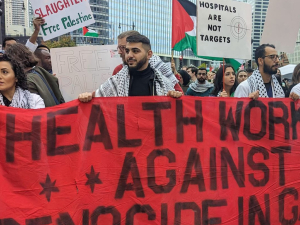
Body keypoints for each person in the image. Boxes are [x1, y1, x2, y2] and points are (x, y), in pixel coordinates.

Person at [78, 34, 182, 100]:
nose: (129, 55)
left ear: (149, 54)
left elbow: (174, 114)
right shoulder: (115, 82)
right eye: (127, 51)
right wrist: (86, 98)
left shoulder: (163, 83)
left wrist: (174, 97)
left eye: (135, 51)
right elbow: (97, 98)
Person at [113, 30, 182, 92]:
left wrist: (171, 96)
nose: (119, 52)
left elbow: (179, 95)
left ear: (149, 54)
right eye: (127, 50)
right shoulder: (118, 71)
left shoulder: (161, 71)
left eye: (123, 48)